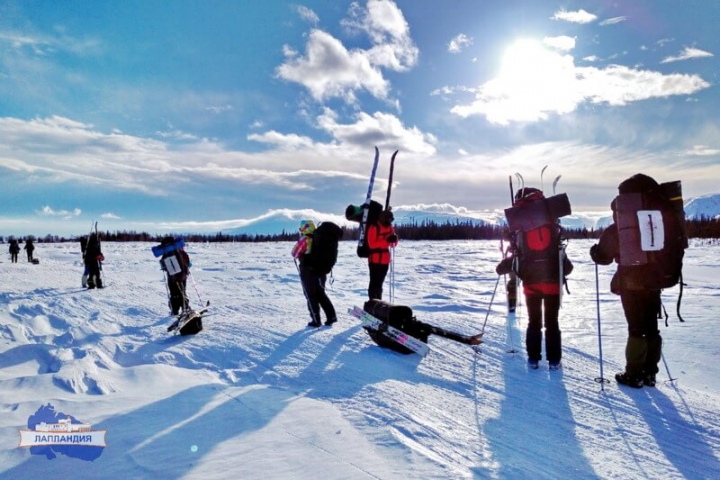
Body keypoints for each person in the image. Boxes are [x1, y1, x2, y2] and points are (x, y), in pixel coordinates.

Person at [589, 174, 676, 388]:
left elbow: (604, 257)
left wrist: (594, 252)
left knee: (636, 327)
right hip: (655, 280)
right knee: (652, 326)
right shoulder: (659, 220)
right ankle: (650, 373)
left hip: (630, 282)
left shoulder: (621, 225)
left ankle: (634, 374)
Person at [497, 187, 573, 371]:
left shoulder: (522, 226)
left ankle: (533, 359)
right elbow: (567, 266)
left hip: (531, 284)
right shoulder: (550, 221)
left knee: (534, 322)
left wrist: (504, 264)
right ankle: (554, 361)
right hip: (553, 283)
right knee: (552, 323)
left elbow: (517, 257)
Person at [292, 220, 338, 328]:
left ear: (304, 228)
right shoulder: (320, 238)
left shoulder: (305, 239)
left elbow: (294, 253)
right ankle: (331, 316)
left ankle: (316, 320)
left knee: (310, 295)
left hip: (308, 272)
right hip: (321, 271)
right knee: (321, 294)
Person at [366, 209, 398, 300]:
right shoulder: (374, 227)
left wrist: (394, 239)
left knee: (380, 283)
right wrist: (386, 240)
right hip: (374, 260)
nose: (390, 221)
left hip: (385, 260)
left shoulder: (390, 228)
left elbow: (393, 245)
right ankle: (372, 302)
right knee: (374, 283)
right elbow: (371, 244)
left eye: (391, 220)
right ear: (384, 218)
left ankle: (378, 302)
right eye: (389, 219)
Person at [159, 236, 191, 315]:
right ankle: (185, 309)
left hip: (171, 278)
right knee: (182, 291)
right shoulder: (181, 252)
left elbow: (164, 266)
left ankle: (175, 310)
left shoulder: (165, 254)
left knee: (173, 293)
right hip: (182, 276)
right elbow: (188, 263)